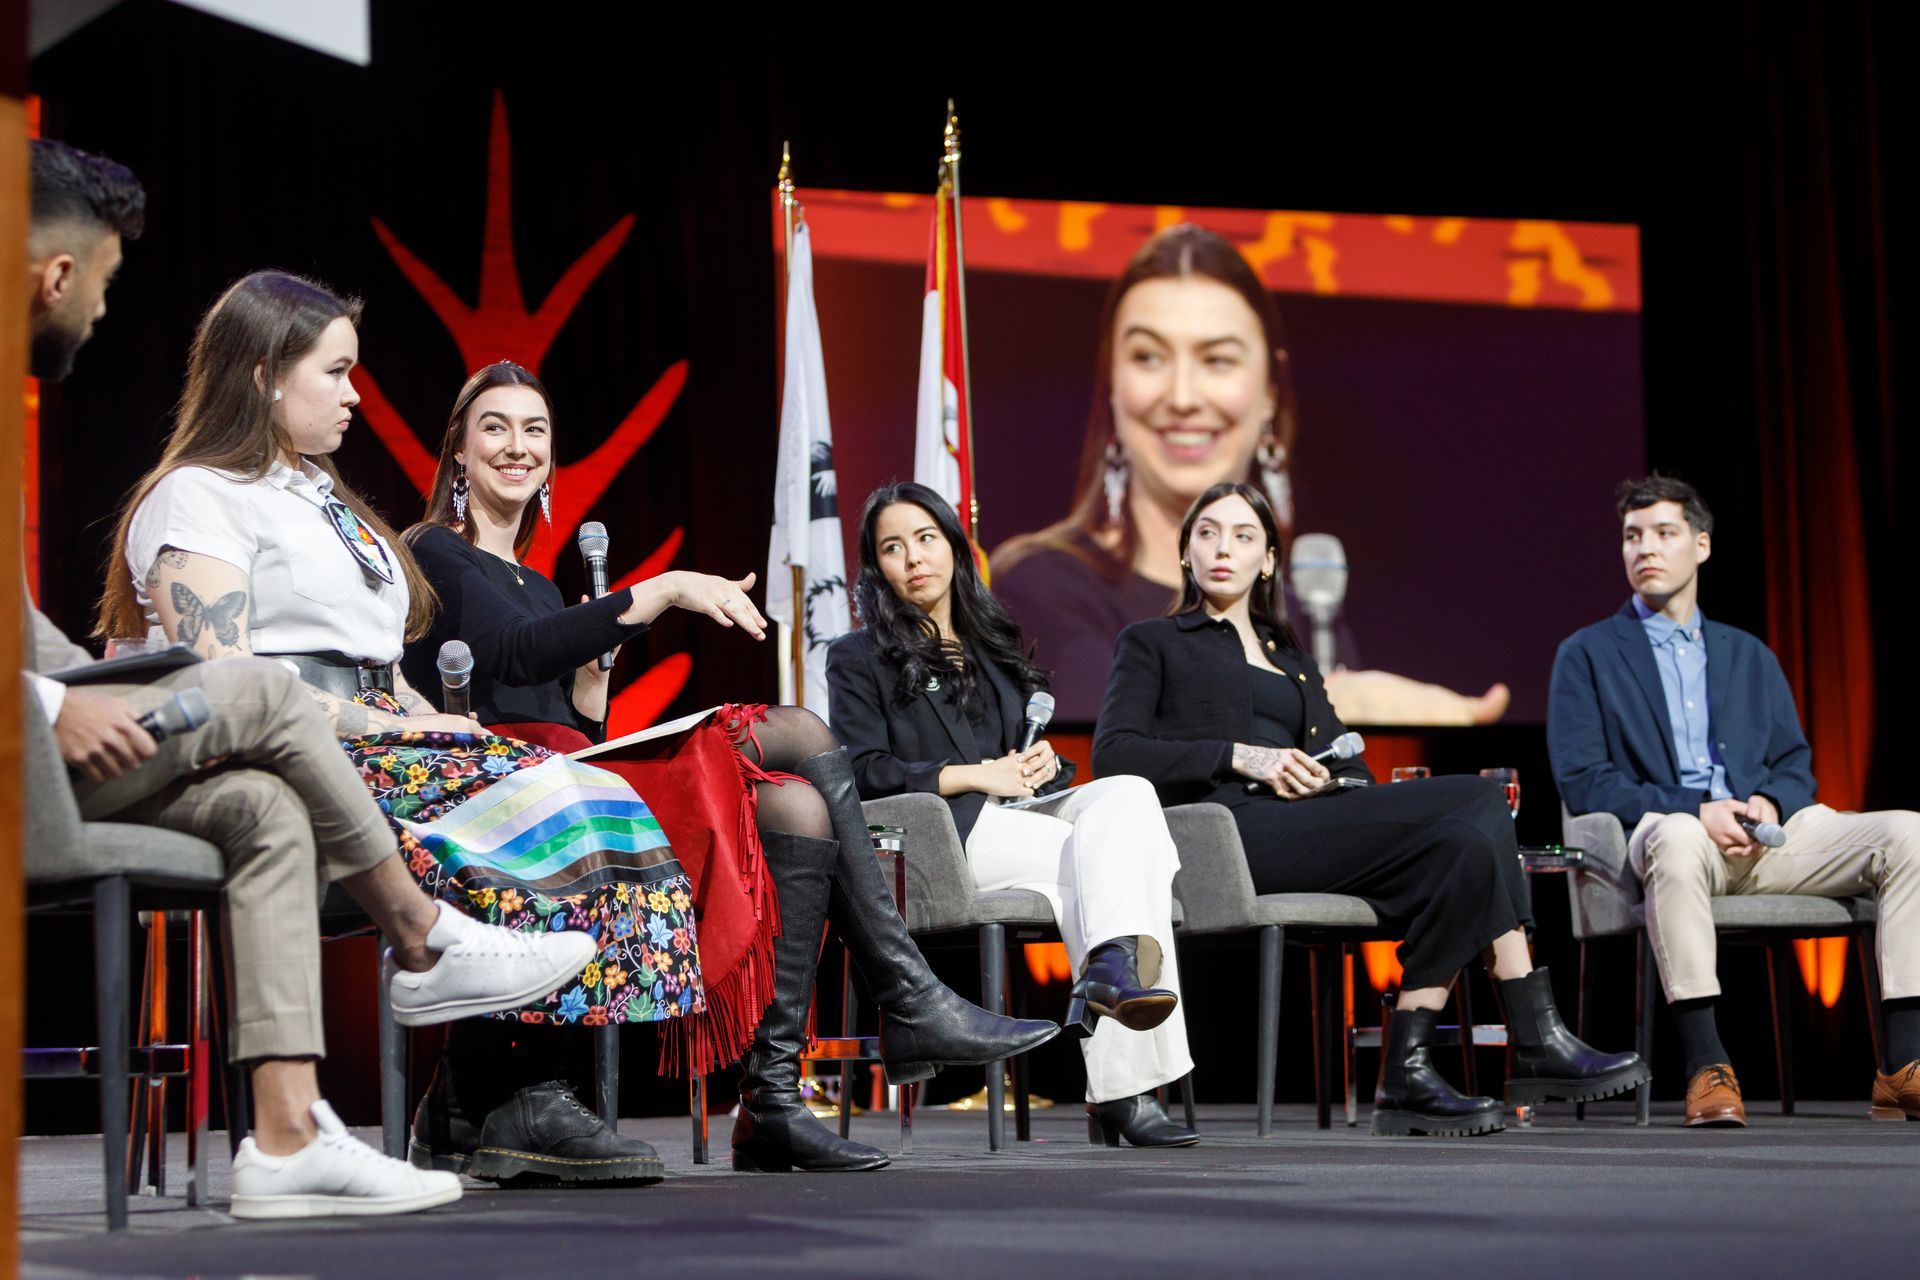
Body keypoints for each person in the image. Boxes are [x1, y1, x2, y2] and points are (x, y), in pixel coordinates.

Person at [26, 141, 590, 1219]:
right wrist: (55, 703)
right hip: (116, 742)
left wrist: (57, 688)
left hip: (178, 746)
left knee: (267, 809)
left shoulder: (328, 501)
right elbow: (215, 670)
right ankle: (425, 939)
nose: (99, 309)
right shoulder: (199, 494)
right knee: (273, 693)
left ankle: (285, 1135)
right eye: (335, 370)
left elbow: (29, 643)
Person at [404, 360, 1060, 1175]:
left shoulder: (541, 583)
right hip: (512, 794)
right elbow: (504, 656)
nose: (518, 446)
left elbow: (574, 719)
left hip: (576, 781)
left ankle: (773, 1101)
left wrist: (592, 680)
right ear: (457, 454)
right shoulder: (431, 549)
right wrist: (664, 589)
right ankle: (909, 994)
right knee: (799, 733)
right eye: (494, 428)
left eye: (534, 429)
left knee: (797, 808)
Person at [1094, 482, 1646, 1136]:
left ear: (1268, 559)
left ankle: (1406, 1073)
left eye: (1244, 537)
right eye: (1208, 533)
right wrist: (1239, 756)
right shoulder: (1155, 641)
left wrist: (1323, 781)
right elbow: (1116, 754)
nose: (1223, 549)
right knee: (1475, 798)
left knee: (1467, 848)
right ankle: (1534, 1037)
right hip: (1225, 836)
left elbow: (1347, 762)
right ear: (1185, 552)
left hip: (1300, 825)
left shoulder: (1292, 659)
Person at [991, 222, 1508, 727]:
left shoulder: (1304, 609)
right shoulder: (1042, 583)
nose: (1183, 397)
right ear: (1113, 385)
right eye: (1148, 357)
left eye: (1218, 360)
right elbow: (1123, 749)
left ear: (1269, 391)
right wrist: (1334, 702)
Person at [828, 481, 1196, 1147]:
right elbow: (859, 771)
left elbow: (1023, 763)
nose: (913, 557)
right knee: (1116, 870)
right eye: (892, 546)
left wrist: (1038, 767)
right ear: (875, 567)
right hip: (944, 838)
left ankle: (1111, 970)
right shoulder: (857, 657)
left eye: (926, 538)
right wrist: (977, 776)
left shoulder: (995, 646)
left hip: (1020, 818)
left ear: (954, 546)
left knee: (1128, 796)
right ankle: (1124, 1085)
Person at [1548, 475, 1920, 1126]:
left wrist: (1771, 802)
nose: (1645, 550)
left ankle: (1904, 1066)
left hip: (1767, 842)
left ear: (1702, 545)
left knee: (1908, 833)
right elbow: (1585, 782)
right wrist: (1697, 807)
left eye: (1664, 534)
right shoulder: (1587, 655)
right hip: (1675, 842)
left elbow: (1794, 762)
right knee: (1677, 835)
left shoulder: (1746, 653)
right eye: (1632, 537)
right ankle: (1707, 1066)